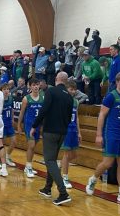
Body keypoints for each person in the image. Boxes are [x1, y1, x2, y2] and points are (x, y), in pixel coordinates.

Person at [86, 72, 120, 201]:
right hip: (111, 134)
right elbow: (102, 115)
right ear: (117, 83)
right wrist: (99, 135)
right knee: (108, 163)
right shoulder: (111, 97)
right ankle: (93, 179)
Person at [34, 72, 74, 205]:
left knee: (50, 160)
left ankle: (63, 193)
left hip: (50, 131)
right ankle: (47, 188)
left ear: (56, 79)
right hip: (62, 132)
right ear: (66, 81)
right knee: (52, 160)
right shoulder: (69, 96)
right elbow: (69, 118)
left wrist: (35, 125)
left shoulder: (51, 91)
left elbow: (44, 110)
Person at [17, 78, 44, 178]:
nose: (36, 86)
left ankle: (28, 166)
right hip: (29, 125)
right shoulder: (26, 98)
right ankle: (28, 167)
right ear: (30, 86)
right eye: (34, 85)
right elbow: (22, 113)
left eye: (37, 84)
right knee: (31, 145)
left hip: (38, 126)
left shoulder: (43, 98)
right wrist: (19, 125)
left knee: (33, 147)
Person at [60, 80, 82, 189]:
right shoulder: (62, 101)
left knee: (74, 155)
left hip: (74, 130)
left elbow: (77, 117)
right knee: (67, 154)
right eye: (70, 89)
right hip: (66, 130)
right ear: (66, 89)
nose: (72, 91)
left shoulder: (76, 102)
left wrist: (79, 132)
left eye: (74, 90)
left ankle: (62, 164)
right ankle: (65, 177)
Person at [0, 83, 17, 168]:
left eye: (8, 89)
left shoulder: (11, 98)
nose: (6, 91)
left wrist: (12, 119)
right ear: (1, 90)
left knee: (14, 141)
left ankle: (7, 156)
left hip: (9, 123)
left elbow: (12, 109)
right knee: (1, 143)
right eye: (4, 89)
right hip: (2, 124)